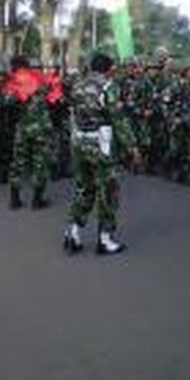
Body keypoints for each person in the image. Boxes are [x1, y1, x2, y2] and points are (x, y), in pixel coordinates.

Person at [63, 53, 141, 256]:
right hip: (101, 145)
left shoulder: (77, 85)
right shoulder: (108, 86)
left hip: (79, 142)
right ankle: (105, 240)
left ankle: (73, 232)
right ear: (108, 68)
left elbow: (71, 108)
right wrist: (132, 147)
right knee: (108, 191)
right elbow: (119, 119)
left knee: (84, 188)